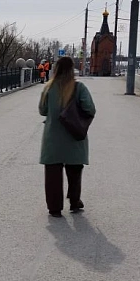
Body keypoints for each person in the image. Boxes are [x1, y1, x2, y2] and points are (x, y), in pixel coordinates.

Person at [38, 56, 96, 217]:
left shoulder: (48, 88)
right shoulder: (79, 88)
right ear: (72, 70)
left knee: (52, 174)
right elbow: (90, 109)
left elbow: (42, 110)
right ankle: (74, 201)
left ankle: (54, 208)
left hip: (52, 138)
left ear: (55, 69)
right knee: (75, 170)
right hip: (73, 135)